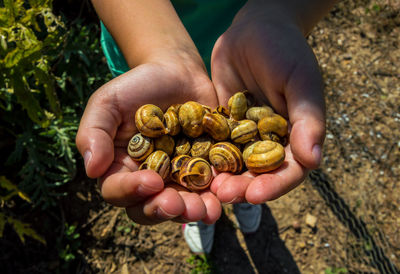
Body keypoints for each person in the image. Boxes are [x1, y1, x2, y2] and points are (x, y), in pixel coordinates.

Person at [76, 0, 337, 254]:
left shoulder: (235, 123)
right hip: (141, 45)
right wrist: (160, 54)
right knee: (195, 198)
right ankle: (205, 203)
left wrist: (280, 12)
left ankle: (238, 198)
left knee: (239, 186)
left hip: (253, 58)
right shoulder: (174, 128)